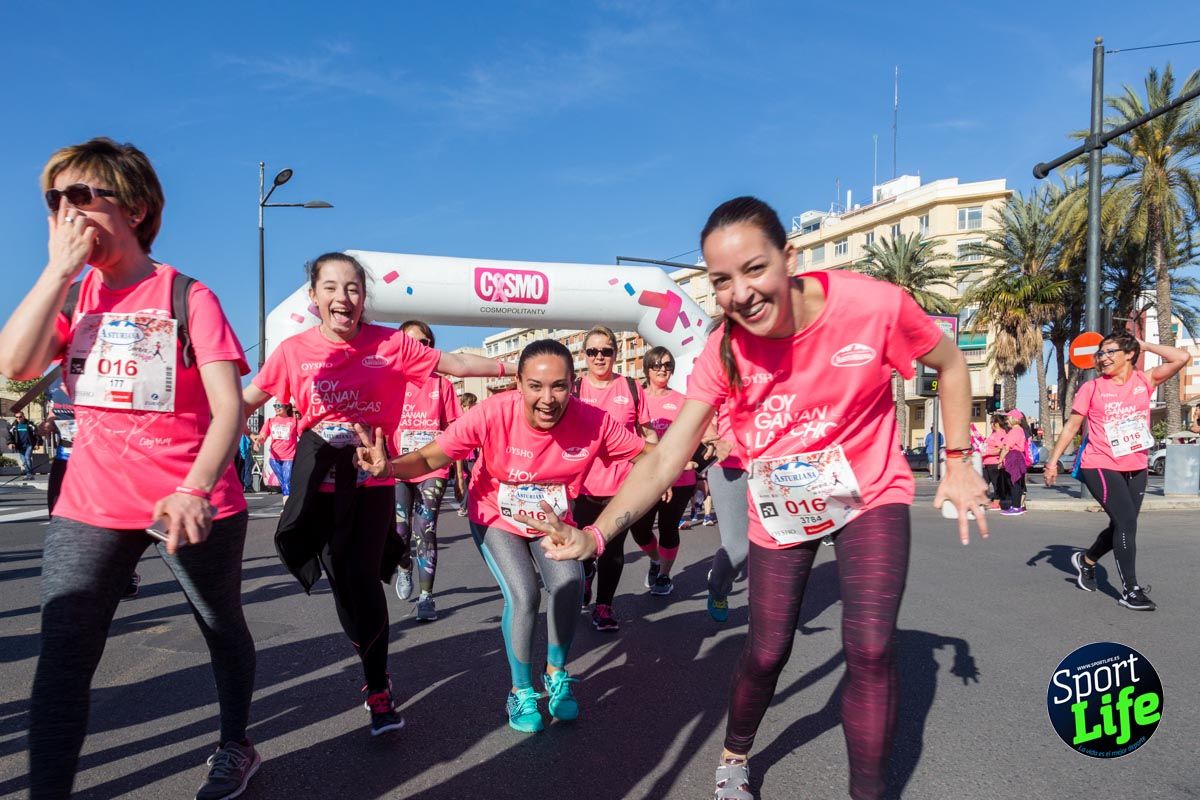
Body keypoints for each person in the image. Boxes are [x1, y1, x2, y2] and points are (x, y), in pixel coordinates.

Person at [519, 197, 988, 800]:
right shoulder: (724, 351)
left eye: (755, 269)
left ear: (790, 258)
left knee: (870, 647)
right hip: (784, 507)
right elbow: (665, 456)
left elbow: (949, 363)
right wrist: (596, 534)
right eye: (721, 281)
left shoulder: (871, 306)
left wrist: (956, 461)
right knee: (767, 652)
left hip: (868, 491)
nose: (740, 293)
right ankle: (735, 752)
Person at [0, 137, 259, 799]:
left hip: (190, 499)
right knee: (62, 661)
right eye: (55, 200)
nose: (66, 210)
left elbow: (230, 409)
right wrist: (57, 274)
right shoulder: (72, 296)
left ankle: (236, 744)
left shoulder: (186, 295)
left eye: (84, 195)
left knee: (220, 622)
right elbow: (15, 367)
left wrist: (194, 489)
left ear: (137, 208)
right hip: (92, 503)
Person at [242, 252, 510, 736]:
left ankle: (377, 682)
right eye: (331, 287)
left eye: (352, 288)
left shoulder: (391, 344)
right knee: (343, 583)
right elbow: (246, 399)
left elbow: (454, 362)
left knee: (362, 581)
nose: (343, 297)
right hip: (316, 485)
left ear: (363, 297)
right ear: (313, 297)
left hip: (373, 481)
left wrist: (512, 367)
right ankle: (367, 648)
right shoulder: (293, 351)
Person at [352, 339, 650, 732]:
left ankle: (556, 675)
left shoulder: (594, 421)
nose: (548, 398)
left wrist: (684, 460)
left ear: (572, 384)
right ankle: (521, 691)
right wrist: (388, 467)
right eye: (535, 386)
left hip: (552, 521)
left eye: (559, 386)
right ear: (519, 384)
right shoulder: (492, 413)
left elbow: (648, 456)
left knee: (570, 582)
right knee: (524, 593)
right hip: (496, 516)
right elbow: (430, 457)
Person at [1043, 331, 1189, 610]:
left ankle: (1086, 561)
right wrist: (1052, 462)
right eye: (1101, 353)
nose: (1104, 357)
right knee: (1127, 524)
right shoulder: (1092, 388)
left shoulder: (1144, 381)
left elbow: (1182, 357)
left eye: (1110, 351)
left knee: (1121, 524)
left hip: (1136, 465)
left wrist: (1144, 343)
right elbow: (1072, 427)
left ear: (1129, 354)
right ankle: (1130, 590)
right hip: (1099, 463)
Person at [571, 325, 656, 632]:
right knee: (581, 549)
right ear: (584, 356)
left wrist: (661, 475)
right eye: (593, 351)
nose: (599, 357)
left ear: (615, 354)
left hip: (623, 486)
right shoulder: (575, 389)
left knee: (613, 548)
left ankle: (604, 606)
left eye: (606, 351)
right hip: (582, 486)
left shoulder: (631, 387)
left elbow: (647, 434)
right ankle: (585, 575)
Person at [389, 320, 462, 622]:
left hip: (433, 467)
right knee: (400, 532)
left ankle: (426, 597)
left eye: (425, 343)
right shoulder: (388, 381)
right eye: (411, 342)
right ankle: (404, 567)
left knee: (425, 529)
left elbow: (457, 431)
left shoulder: (442, 384)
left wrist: (461, 476)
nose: (419, 348)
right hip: (398, 467)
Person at [628, 346, 695, 596]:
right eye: (656, 365)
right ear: (647, 368)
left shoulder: (682, 400)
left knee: (668, 528)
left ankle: (665, 575)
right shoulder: (636, 399)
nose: (662, 369)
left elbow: (693, 437)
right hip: (645, 477)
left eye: (667, 365)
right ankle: (655, 559)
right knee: (639, 528)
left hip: (679, 478)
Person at [704, 402, 749, 623]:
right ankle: (718, 588)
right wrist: (714, 439)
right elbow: (698, 414)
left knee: (778, 544)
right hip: (731, 465)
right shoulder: (719, 367)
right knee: (738, 548)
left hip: (776, 465)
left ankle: (769, 610)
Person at [255, 402, 298, 495]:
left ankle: (287, 507)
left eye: (279, 406)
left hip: (289, 457)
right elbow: (263, 436)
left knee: (286, 482)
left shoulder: (294, 421)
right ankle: (289, 505)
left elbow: (303, 436)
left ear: (286, 407)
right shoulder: (271, 421)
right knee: (284, 483)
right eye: (275, 406)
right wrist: (258, 442)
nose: (276, 408)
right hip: (274, 459)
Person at [997, 411, 1028, 515]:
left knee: (1014, 482)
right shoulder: (1021, 430)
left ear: (1013, 418)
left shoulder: (1014, 431)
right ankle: (1016, 506)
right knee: (1017, 482)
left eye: (1008, 418)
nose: (1006, 421)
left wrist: (1000, 460)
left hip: (1013, 456)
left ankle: (1015, 507)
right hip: (1019, 456)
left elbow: (1006, 447)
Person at [455, 392, 479, 518]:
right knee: (472, 481)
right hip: (467, 454)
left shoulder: (462, 418)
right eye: (473, 403)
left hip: (468, 454)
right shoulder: (465, 419)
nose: (474, 406)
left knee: (469, 481)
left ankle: (465, 505)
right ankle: (464, 506)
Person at [981, 416, 1008, 510]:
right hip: (986, 462)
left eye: (991, 423)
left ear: (996, 423)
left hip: (995, 462)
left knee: (997, 484)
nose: (990, 425)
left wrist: (987, 453)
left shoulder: (1001, 434)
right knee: (983, 483)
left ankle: (997, 503)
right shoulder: (993, 433)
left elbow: (1001, 449)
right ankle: (983, 500)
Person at [7, 409, 39, 478]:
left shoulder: (30, 425)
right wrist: (10, 443)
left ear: (23, 416)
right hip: (20, 446)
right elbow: (10, 436)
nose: (18, 418)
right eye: (17, 417)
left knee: (27, 457)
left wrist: (37, 444)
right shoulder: (14, 426)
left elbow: (36, 434)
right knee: (24, 460)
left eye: (20, 417)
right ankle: (28, 472)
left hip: (29, 444)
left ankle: (29, 474)